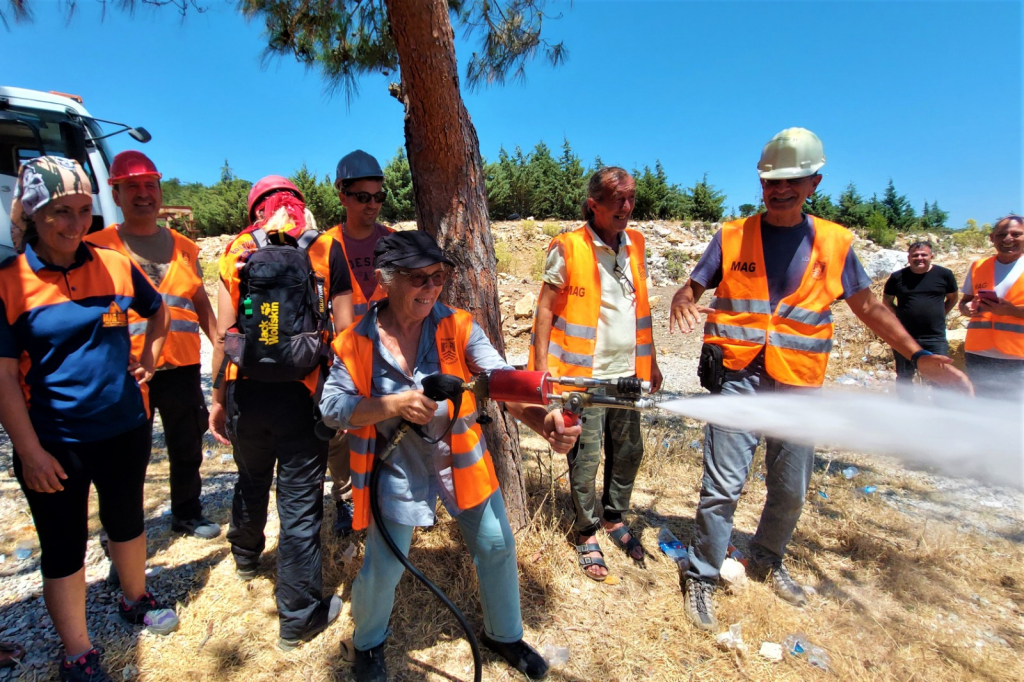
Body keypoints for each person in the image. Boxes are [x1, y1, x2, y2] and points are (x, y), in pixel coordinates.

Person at [669, 128, 972, 632]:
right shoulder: (731, 235)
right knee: (722, 486)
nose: (780, 189)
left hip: (799, 381)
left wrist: (919, 356)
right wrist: (683, 295)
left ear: (814, 183)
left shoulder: (835, 242)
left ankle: (766, 557)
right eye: (771, 181)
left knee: (791, 488)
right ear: (761, 184)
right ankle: (701, 573)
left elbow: (869, 308)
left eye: (793, 180)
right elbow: (694, 284)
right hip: (738, 374)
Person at [320, 230, 580, 682]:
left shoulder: (458, 326)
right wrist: (393, 405)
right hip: (395, 467)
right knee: (384, 566)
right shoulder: (355, 342)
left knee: (497, 545)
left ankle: (504, 635)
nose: (431, 287)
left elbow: (499, 380)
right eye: (418, 278)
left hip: (459, 458)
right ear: (385, 280)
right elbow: (331, 408)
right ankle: (368, 644)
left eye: (438, 276)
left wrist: (545, 421)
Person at [0, 157, 177, 682]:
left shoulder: (115, 264)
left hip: (124, 426)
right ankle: (78, 651)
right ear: (34, 213)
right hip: (55, 441)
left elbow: (159, 311)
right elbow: (4, 378)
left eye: (83, 210)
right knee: (64, 545)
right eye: (60, 212)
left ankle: (135, 598)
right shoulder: (10, 281)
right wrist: (30, 452)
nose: (75, 224)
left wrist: (150, 360)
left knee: (127, 520)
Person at [208, 175, 353, 650]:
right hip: (302, 394)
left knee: (251, 477)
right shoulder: (324, 247)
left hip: (247, 391)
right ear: (299, 206)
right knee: (299, 503)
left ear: (255, 209)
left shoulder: (236, 250)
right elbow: (346, 330)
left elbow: (224, 333)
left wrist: (217, 397)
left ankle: (246, 557)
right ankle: (298, 616)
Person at [528, 167, 662, 582]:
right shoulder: (567, 247)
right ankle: (586, 531)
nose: (627, 207)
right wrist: (541, 373)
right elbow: (544, 309)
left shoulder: (636, 243)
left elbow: (640, 308)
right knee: (585, 460)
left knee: (629, 451)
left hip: (627, 376)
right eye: (618, 200)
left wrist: (653, 361)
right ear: (594, 205)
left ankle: (613, 517)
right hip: (582, 379)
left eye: (631, 198)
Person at [86, 151, 221, 540]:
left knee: (187, 446)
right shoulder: (96, 247)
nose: (143, 194)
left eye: (150, 185)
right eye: (131, 187)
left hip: (181, 366)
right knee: (126, 455)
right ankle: (123, 533)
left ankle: (187, 513)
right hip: (126, 371)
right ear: (115, 194)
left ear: (161, 192)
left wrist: (221, 349)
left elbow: (200, 303)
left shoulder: (186, 247)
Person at [323, 150, 394, 536]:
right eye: (363, 197)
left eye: (378, 196)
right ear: (343, 197)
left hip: (387, 355)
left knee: (388, 425)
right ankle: (347, 500)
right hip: (342, 357)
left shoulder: (393, 242)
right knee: (341, 433)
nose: (373, 205)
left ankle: (388, 498)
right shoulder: (324, 246)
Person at [958, 214, 1024, 397]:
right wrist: (967, 308)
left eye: (1016, 234)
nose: (1008, 239)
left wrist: (1011, 311)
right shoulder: (978, 267)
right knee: (984, 407)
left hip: (1018, 357)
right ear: (992, 238)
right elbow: (964, 302)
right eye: (1001, 235)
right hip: (979, 354)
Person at [882, 241, 958, 390]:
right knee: (904, 376)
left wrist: (941, 313)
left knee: (940, 376)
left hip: (935, 337)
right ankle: (906, 403)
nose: (919, 258)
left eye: (924, 255)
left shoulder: (944, 275)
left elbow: (953, 298)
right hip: (904, 337)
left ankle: (940, 404)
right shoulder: (897, 277)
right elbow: (887, 302)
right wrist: (900, 316)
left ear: (931, 256)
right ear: (908, 257)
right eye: (915, 255)